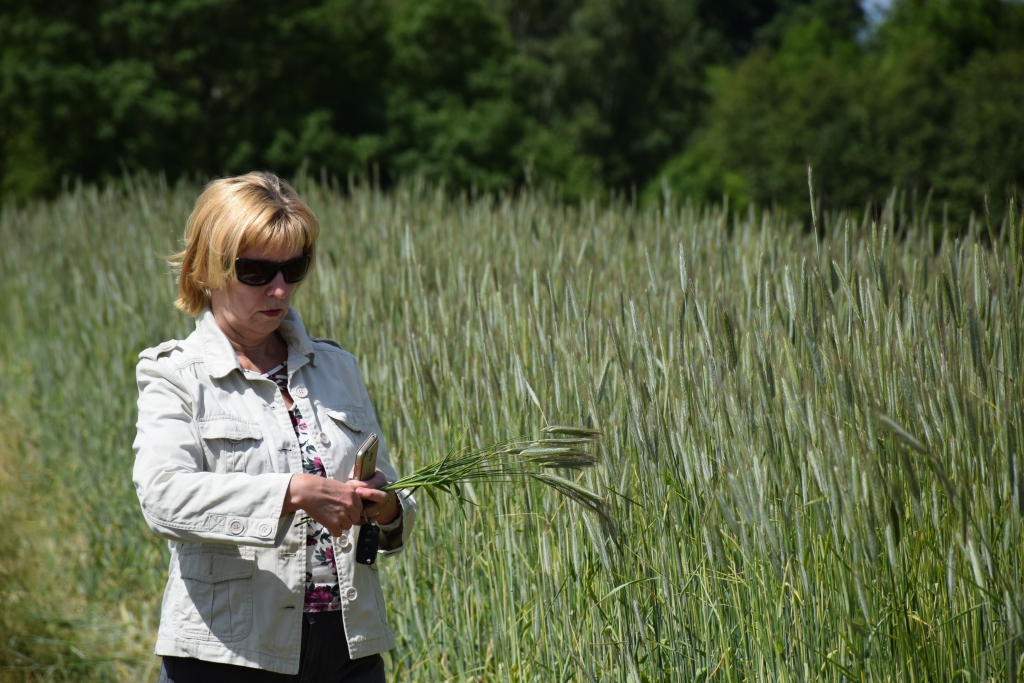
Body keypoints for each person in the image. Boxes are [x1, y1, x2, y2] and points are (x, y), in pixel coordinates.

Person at [132, 172, 416, 682]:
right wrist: (291, 493)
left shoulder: (337, 368)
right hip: (227, 654)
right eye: (257, 271)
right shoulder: (173, 373)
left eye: (294, 267)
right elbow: (162, 498)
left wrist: (389, 507)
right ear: (208, 269)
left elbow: (391, 498)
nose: (280, 288)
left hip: (348, 649)